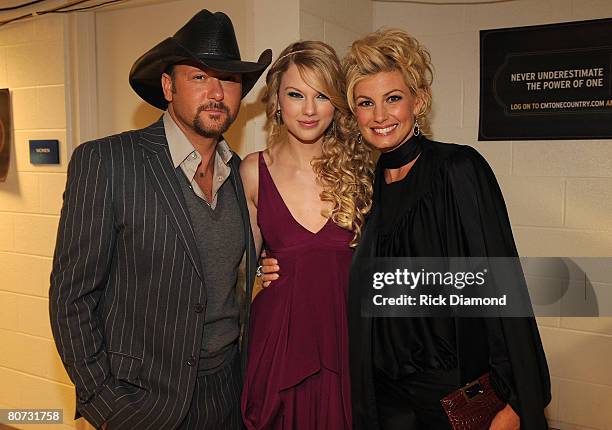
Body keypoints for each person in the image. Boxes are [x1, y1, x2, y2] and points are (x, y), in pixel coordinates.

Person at [261, 29, 551, 430]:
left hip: (451, 395)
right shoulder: (366, 186)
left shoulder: (457, 169)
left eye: (392, 98)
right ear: (354, 113)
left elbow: (502, 287)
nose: (380, 116)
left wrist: (515, 398)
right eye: (366, 103)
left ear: (419, 101)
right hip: (383, 399)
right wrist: (262, 268)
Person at [49, 10, 271, 429]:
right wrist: (105, 404)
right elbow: (71, 298)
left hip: (228, 395)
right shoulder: (107, 162)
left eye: (228, 79)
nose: (216, 93)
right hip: (142, 404)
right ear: (168, 86)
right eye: (199, 77)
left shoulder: (241, 175)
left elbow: (233, 274)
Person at [239, 41, 373, 429]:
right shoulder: (252, 172)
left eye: (322, 96)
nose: (310, 110)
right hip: (279, 345)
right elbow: (235, 273)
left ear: (337, 104)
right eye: (296, 95)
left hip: (345, 343)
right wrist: (256, 280)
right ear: (277, 100)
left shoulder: (363, 172)